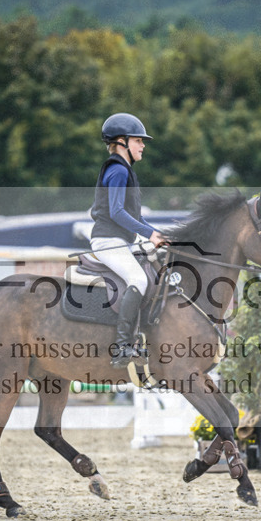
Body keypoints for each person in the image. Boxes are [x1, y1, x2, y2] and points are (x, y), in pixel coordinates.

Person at [90, 112, 167, 368]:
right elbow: (116, 213)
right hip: (107, 241)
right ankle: (123, 346)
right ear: (121, 142)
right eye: (138, 141)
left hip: (120, 241)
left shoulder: (124, 171)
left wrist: (160, 235)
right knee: (138, 278)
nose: (143, 145)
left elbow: (135, 217)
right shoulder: (118, 171)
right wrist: (148, 234)